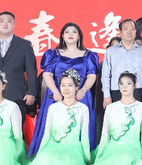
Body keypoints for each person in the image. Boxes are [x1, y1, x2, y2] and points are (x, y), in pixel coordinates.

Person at [28, 23, 98, 156]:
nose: (70, 34)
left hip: (80, 95)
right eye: (67, 32)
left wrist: (83, 90)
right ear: (62, 36)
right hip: (57, 95)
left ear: (79, 36)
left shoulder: (88, 55)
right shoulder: (53, 54)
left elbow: (92, 75)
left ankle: (82, 156)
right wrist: (55, 91)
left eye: (74, 32)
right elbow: (47, 74)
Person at [26, 69, 92, 165]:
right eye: (63, 85)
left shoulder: (83, 109)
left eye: (70, 85)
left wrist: (87, 158)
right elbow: (47, 134)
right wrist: (40, 154)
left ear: (77, 87)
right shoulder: (53, 108)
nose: (66, 89)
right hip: (52, 147)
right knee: (46, 160)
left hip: (72, 149)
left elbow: (84, 136)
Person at [91, 71, 142, 165]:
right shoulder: (111, 108)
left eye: (128, 83)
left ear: (135, 86)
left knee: (126, 158)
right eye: (121, 83)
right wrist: (99, 156)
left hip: (133, 148)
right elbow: (105, 134)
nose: (124, 86)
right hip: (112, 148)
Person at [101, 19, 142, 107]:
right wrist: (106, 95)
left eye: (132, 29)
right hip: (116, 91)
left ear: (135, 32)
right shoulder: (111, 51)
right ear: (120, 32)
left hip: (138, 90)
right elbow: (105, 75)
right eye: (126, 29)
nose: (129, 32)